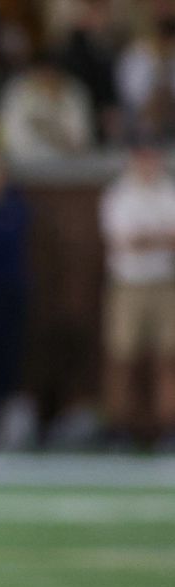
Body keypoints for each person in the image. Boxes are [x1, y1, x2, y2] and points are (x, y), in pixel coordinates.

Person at [98, 142, 175, 447]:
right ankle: (118, 428)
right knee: (122, 358)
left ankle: (168, 428)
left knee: (168, 358)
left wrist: (147, 238)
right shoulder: (119, 195)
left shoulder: (169, 191)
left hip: (165, 285)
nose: (148, 164)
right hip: (127, 286)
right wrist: (159, 238)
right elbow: (123, 241)